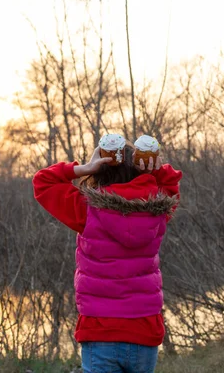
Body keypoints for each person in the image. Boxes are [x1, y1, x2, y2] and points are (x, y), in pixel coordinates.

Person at [32, 138, 182, 373]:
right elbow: (172, 182)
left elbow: (43, 182)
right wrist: (153, 166)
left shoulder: (87, 209)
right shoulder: (158, 209)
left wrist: (83, 168)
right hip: (145, 329)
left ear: (103, 172)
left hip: (100, 328)